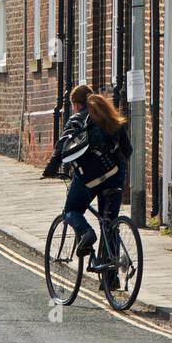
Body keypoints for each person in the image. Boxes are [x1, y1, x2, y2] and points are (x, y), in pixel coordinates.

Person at [57, 91, 132, 258]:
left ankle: (86, 233)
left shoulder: (76, 120)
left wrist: (52, 170)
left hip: (88, 178)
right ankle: (111, 278)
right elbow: (128, 150)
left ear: (76, 105)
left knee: (71, 210)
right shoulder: (113, 121)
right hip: (114, 175)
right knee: (110, 223)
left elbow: (60, 149)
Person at [41, 84, 92, 180]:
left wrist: (50, 170)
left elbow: (62, 144)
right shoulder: (105, 114)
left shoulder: (75, 119)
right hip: (113, 169)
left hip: (88, 170)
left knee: (74, 195)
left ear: (76, 105)